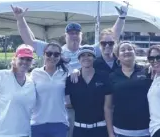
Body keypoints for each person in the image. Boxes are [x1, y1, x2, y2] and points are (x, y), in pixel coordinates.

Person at [11, 4, 129, 137]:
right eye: (71, 34)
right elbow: (30, 41)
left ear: (81, 36)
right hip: (62, 106)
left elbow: (111, 37)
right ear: (65, 36)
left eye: (77, 33)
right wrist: (20, 19)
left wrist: (122, 17)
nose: (74, 36)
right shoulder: (56, 51)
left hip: (80, 105)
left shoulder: (88, 50)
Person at [0, 44, 36, 137]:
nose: (25, 62)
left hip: (23, 133)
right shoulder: (1, 76)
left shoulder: (31, 83)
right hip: (1, 133)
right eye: (22, 58)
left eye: (28, 59)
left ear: (32, 62)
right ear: (15, 58)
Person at [65, 45, 113, 137]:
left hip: (100, 130)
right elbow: (68, 104)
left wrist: (111, 134)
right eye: (83, 55)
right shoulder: (70, 80)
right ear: (79, 59)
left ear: (94, 58)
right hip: (79, 130)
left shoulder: (104, 77)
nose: (86, 58)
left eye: (89, 55)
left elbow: (108, 107)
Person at [109, 42, 153, 137]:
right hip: (120, 131)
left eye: (129, 49)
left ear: (135, 53)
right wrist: (110, 133)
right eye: (123, 50)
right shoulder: (112, 76)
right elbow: (108, 107)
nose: (126, 51)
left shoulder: (147, 71)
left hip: (145, 130)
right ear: (118, 57)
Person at [30, 42, 71, 137]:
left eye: (56, 54)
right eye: (49, 54)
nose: (52, 57)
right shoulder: (35, 73)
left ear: (60, 56)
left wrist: (76, 71)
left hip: (59, 123)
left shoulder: (65, 73)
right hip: (37, 123)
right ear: (44, 54)